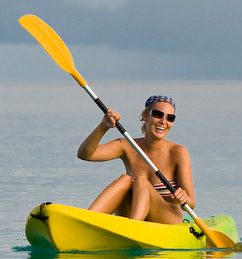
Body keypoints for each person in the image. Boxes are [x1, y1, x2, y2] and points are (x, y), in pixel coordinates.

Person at [77, 95, 194, 224]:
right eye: (158, 114)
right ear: (145, 115)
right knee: (125, 179)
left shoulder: (178, 152)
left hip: (168, 220)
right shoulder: (128, 145)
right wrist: (103, 126)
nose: (163, 121)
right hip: (131, 215)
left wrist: (183, 199)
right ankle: (86, 221)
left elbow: (191, 203)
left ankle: (133, 226)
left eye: (170, 118)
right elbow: (85, 154)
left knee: (141, 181)